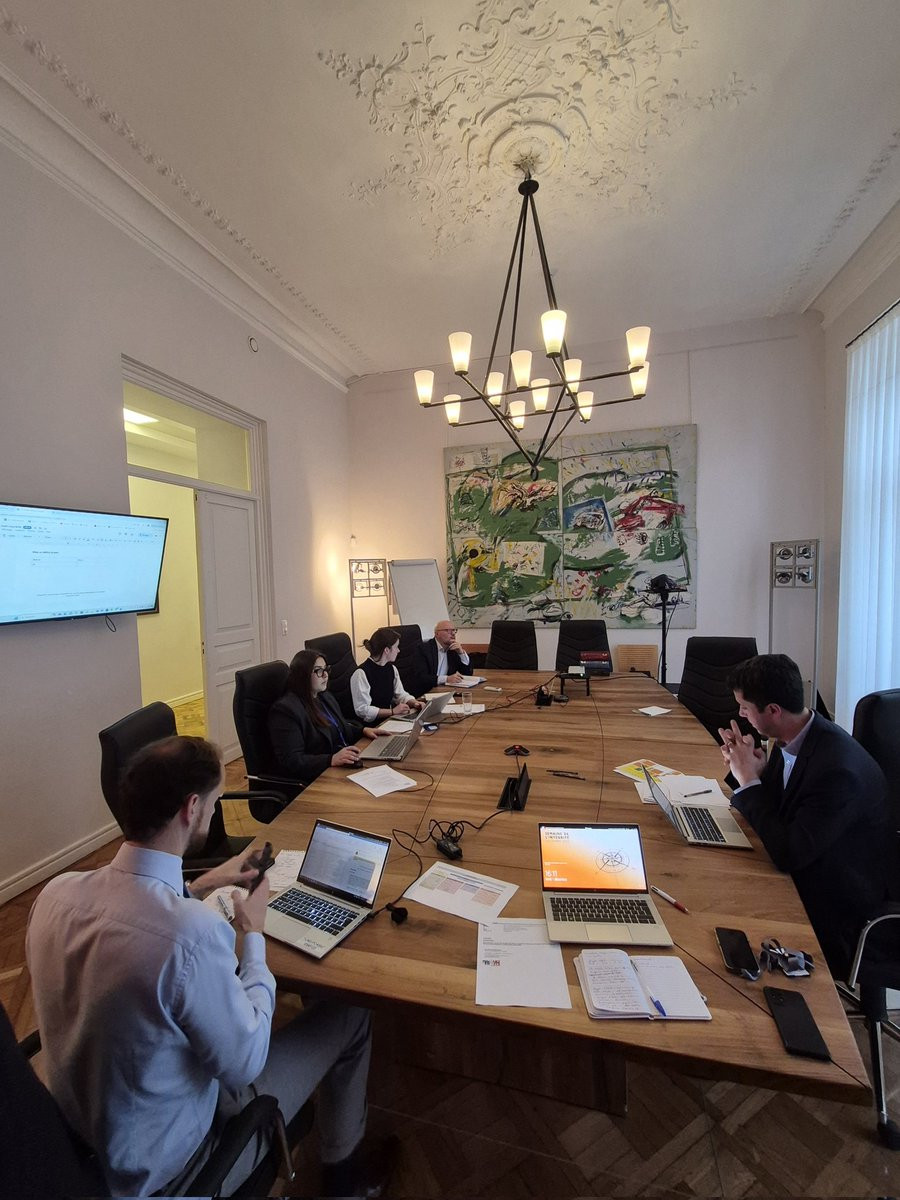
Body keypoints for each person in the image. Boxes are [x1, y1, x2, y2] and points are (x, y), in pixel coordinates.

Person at [26, 736, 388, 1198]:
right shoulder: (191, 936)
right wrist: (253, 934)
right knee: (351, 1013)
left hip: (82, 1143)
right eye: (215, 802)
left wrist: (203, 884)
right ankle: (346, 1181)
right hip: (177, 1171)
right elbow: (246, 1062)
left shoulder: (54, 895)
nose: (215, 812)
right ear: (191, 808)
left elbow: (134, 912)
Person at [718, 653, 891, 978]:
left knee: (722, 902)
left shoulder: (837, 771)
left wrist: (749, 782)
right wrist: (754, 772)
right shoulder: (797, 736)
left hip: (835, 906)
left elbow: (789, 853)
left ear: (773, 710)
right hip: (809, 867)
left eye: (744, 707)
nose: (740, 714)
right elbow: (783, 809)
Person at [269, 649, 386, 780]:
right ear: (303, 675)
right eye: (319, 671)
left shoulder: (324, 696)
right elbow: (292, 760)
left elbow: (338, 727)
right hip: (318, 776)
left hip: (343, 761)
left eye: (326, 669)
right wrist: (331, 759)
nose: (325, 675)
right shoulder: (286, 710)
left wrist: (363, 731)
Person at [350, 627, 423, 723]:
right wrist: (392, 711)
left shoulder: (392, 669)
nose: (398, 650)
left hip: (388, 719)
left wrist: (415, 703)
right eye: (396, 647)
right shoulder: (360, 673)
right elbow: (362, 710)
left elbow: (400, 694)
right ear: (387, 650)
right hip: (371, 726)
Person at [416, 619, 474, 690]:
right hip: (426, 690)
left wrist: (461, 653)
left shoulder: (453, 649)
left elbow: (468, 673)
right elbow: (421, 677)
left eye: (454, 630)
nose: (453, 633)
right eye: (448, 630)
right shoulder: (423, 649)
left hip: (446, 690)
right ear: (437, 633)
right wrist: (446, 679)